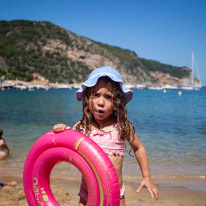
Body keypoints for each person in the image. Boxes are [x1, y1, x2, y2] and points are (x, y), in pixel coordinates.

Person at [53, 66, 158, 206]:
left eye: (108, 97)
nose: (101, 102)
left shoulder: (121, 126)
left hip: (115, 194)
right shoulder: (82, 126)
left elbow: (138, 148)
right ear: (87, 97)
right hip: (87, 193)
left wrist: (147, 177)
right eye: (96, 95)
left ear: (116, 102)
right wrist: (61, 130)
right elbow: (65, 147)